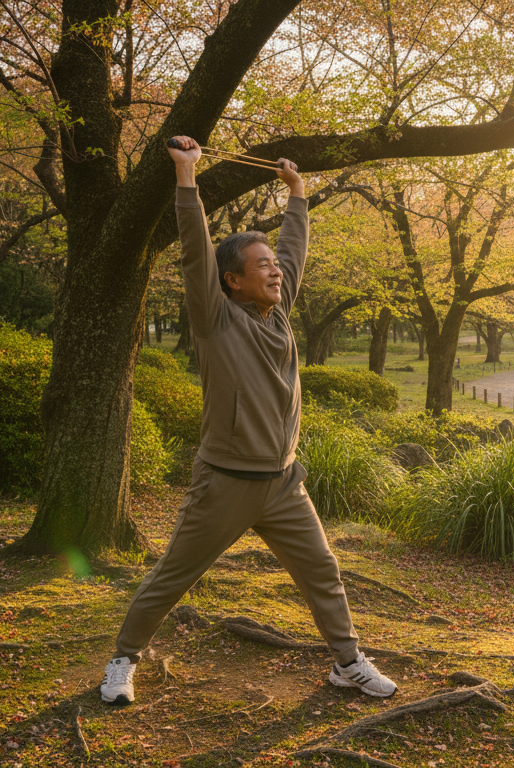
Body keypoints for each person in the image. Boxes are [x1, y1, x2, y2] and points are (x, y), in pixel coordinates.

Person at [99, 136, 397, 706]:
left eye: (273, 265)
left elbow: (293, 253)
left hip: (283, 483)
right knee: (173, 576)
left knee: (323, 572)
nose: (275, 271)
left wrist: (298, 194)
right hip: (226, 482)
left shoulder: (278, 315)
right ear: (232, 280)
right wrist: (186, 177)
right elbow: (195, 253)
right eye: (261, 265)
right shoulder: (215, 320)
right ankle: (124, 659)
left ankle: (347, 663)